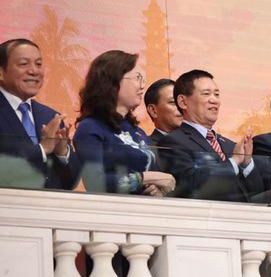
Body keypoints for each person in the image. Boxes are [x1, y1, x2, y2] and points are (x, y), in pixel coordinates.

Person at [73, 50, 175, 196]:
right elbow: (95, 182)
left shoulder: (138, 132)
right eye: (137, 78)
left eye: (143, 79)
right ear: (113, 80)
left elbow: (157, 178)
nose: (142, 86)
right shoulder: (90, 128)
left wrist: (156, 188)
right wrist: (145, 178)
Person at [157, 69, 263, 202]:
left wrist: (246, 163)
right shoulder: (172, 142)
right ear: (183, 102)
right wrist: (235, 161)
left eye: (217, 94)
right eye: (206, 94)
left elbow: (259, 193)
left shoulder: (231, 145)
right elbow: (191, 185)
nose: (215, 100)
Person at [0, 38, 78, 189]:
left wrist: (62, 152)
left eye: (38, 64)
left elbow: (70, 184)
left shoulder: (51, 116)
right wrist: (42, 149)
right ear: (2, 72)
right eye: (24, 64)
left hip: (50, 209)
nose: (34, 71)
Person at [144, 78, 182, 146]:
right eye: (173, 102)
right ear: (153, 110)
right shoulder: (147, 148)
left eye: (183, 102)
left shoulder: (199, 142)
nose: (181, 107)